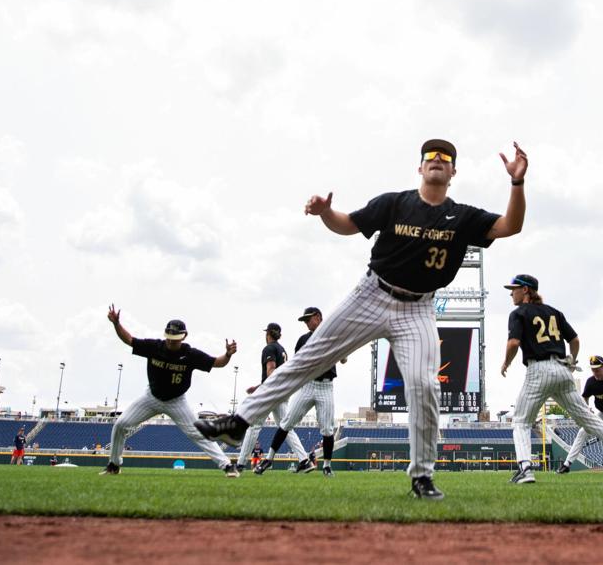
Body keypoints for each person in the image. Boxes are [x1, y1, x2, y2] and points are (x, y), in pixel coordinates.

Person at [198, 138, 529, 500]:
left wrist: (517, 183)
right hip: (372, 294)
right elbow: (348, 224)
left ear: (453, 171)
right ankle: (237, 422)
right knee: (309, 359)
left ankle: (422, 476)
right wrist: (325, 212)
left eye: (445, 157)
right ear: (419, 167)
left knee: (424, 386)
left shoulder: (463, 216)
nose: (437, 159)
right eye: (430, 155)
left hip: (418, 308)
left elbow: (511, 225)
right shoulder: (394, 203)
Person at [500, 276, 603, 484]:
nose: (511, 293)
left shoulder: (519, 312)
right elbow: (574, 340)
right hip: (563, 370)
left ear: (525, 290)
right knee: (591, 421)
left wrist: (506, 362)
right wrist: (572, 360)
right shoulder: (554, 312)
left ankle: (525, 469)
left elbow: (513, 343)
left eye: (514, 289)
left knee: (521, 421)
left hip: (539, 369)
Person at [99, 307, 238, 477]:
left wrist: (228, 355)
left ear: (184, 336)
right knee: (120, 424)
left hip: (176, 401)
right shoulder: (154, 347)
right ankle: (114, 465)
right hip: (151, 397)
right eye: (169, 337)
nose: (171, 341)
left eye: (176, 338)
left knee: (199, 433)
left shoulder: (190, 354)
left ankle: (226, 466)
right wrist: (116, 324)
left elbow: (217, 363)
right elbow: (129, 340)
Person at [257, 307, 343, 478]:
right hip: (308, 385)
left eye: (308, 319)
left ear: (318, 317)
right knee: (286, 422)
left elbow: (343, 357)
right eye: (304, 321)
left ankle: (326, 466)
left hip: (326, 386)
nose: (306, 323)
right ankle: (268, 459)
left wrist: (340, 353)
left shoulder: (332, 334)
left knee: (327, 429)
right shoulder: (303, 339)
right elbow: (296, 364)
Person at [238, 323, 311, 474]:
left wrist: (263, 388)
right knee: (285, 427)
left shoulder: (269, 348)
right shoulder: (282, 350)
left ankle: (240, 464)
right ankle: (304, 460)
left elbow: (271, 372)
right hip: (283, 391)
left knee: (254, 425)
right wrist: (258, 386)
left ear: (268, 334)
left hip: (272, 391)